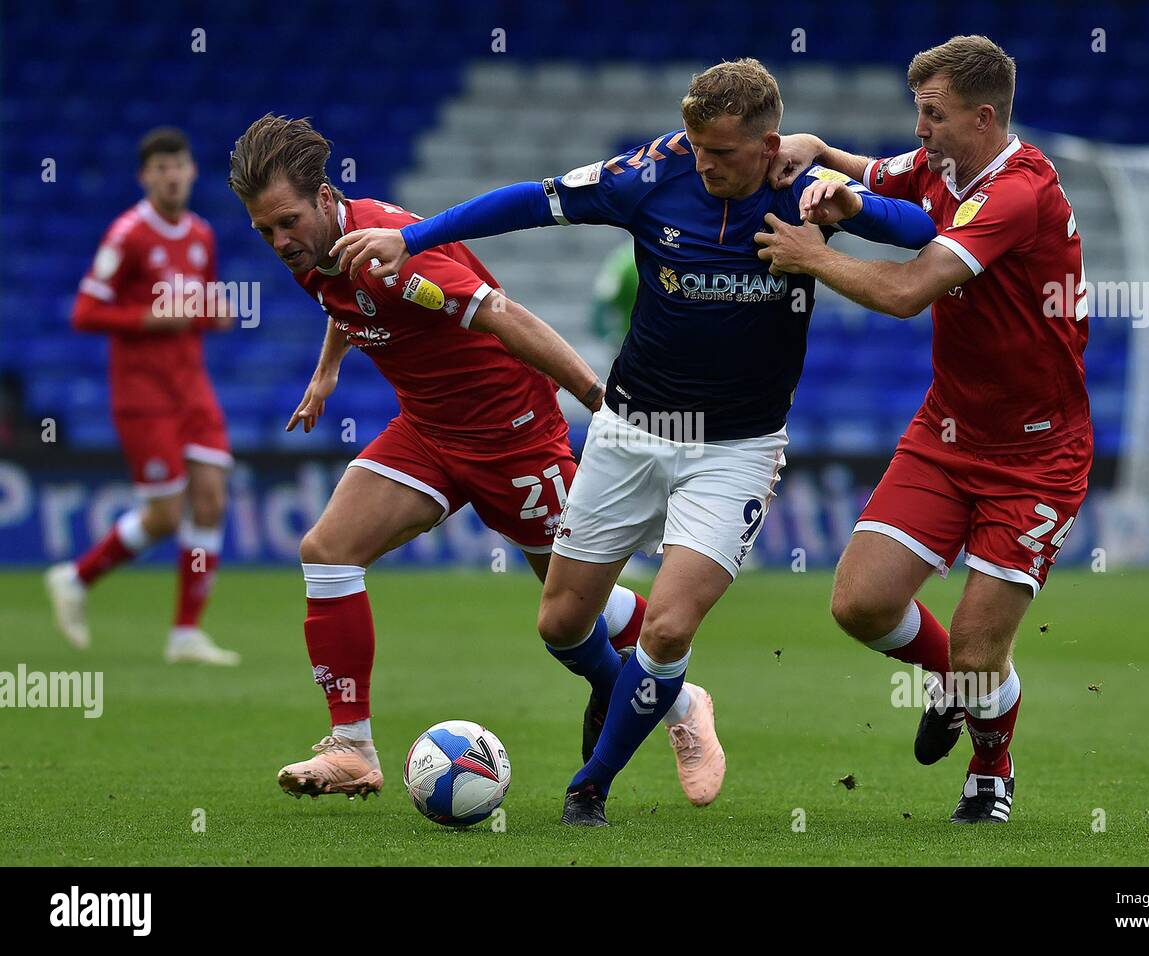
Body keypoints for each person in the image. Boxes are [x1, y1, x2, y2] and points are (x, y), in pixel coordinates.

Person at [332, 59, 935, 825]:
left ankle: (592, 784)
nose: (703, 163)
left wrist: (849, 199)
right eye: (696, 146)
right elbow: (530, 201)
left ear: (768, 144)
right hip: (630, 432)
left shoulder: (801, 191)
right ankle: (680, 700)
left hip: (737, 448)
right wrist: (412, 238)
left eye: (720, 152)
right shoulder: (651, 173)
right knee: (560, 624)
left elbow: (921, 231)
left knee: (669, 625)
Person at [228, 114, 715, 803]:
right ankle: (352, 748)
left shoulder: (398, 257)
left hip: (512, 434)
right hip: (428, 430)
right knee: (328, 550)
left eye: (286, 222)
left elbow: (505, 315)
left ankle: (684, 702)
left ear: (327, 199)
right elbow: (343, 301)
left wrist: (596, 399)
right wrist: (326, 373)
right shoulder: (314, 251)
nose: (278, 241)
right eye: (264, 231)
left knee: (574, 613)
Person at [758, 35, 1091, 823]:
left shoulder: (1016, 192)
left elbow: (911, 290)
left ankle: (991, 764)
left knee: (979, 656)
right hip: (949, 431)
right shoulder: (950, 164)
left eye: (933, 115)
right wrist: (821, 157)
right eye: (918, 112)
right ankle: (966, 690)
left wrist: (815, 255)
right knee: (860, 605)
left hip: (1037, 456)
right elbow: (880, 181)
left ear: (982, 117)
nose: (921, 130)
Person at [47, 127, 238, 666]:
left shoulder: (201, 234)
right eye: (160, 168)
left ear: (192, 172)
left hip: (192, 387)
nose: (171, 175)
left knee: (212, 499)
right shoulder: (127, 234)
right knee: (162, 516)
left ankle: (185, 634)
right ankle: (76, 576)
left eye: (178, 165)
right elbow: (85, 312)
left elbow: (200, 304)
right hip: (142, 392)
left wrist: (214, 314)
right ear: (145, 177)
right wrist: (148, 318)